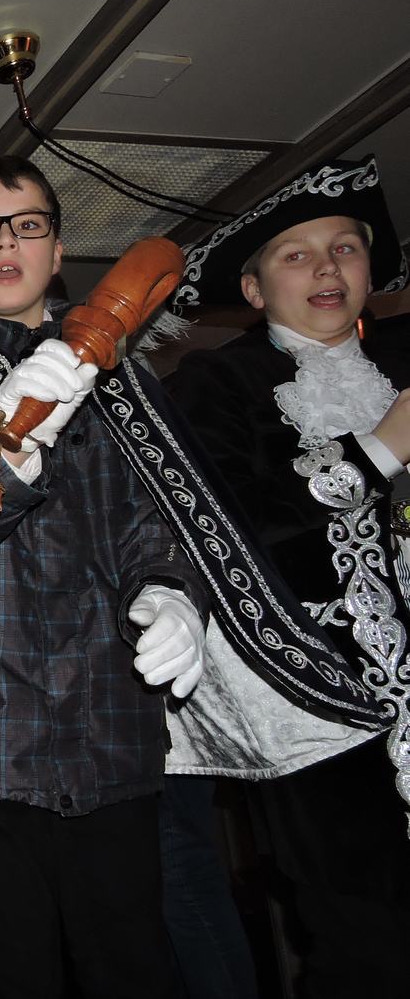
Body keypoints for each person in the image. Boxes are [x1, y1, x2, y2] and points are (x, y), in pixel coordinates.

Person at [0, 155, 381, 999]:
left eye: (27, 225)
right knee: (10, 979)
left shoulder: (123, 377)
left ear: (58, 250)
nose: (6, 243)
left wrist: (172, 591)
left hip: (116, 740)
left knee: (133, 973)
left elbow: (164, 517)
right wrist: (12, 439)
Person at [166, 153, 410, 997]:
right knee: (367, 945)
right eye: (296, 255)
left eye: (346, 247)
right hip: (322, 714)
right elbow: (230, 528)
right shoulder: (215, 382)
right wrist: (377, 451)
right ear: (255, 287)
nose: (327, 268)